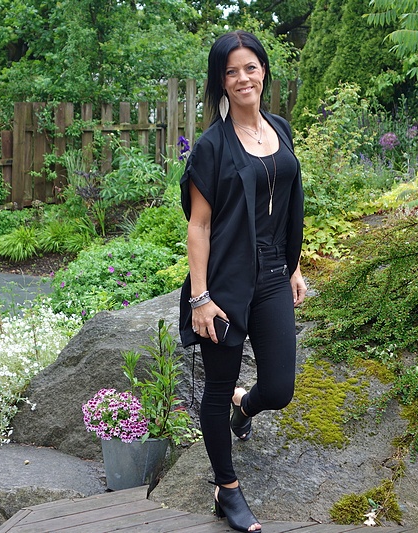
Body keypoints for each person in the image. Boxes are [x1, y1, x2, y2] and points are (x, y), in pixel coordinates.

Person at [178, 30, 307, 533]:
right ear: (221, 82)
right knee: (216, 387)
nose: (242, 78)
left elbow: (286, 202)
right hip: (227, 282)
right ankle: (226, 489)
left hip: (273, 273)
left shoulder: (281, 128)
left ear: (263, 71)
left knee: (278, 388)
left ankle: (244, 406)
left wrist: (293, 265)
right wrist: (201, 298)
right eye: (231, 71)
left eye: (250, 67)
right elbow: (199, 226)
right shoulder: (211, 147)